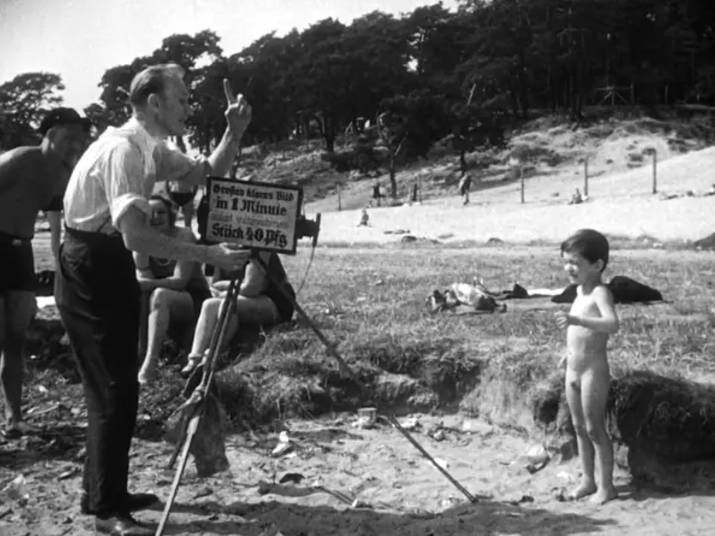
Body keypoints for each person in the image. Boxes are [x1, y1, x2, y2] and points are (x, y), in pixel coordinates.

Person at [55, 63, 252, 535]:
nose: (188, 107)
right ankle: (107, 511)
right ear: (154, 103)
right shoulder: (124, 150)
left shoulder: (150, 148)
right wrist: (210, 254)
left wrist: (234, 131)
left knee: (116, 383)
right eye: (181, 99)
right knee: (114, 387)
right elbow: (137, 238)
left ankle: (102, 493)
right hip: (90, 262)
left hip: (104, 258)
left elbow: (205, 172)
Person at [0, 107, 90, 438]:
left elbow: (72, 213)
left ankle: (14, 419)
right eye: (69, 138)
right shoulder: (21, 159)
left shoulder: (64, 174)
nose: (75, 146)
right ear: (50, 135)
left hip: (21, 252)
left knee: (15, 338)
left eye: (80, 140)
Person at [555, 229, 619, 505]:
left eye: (575, 263)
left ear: (597, 265)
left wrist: (577, 321)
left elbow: (612, 324)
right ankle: (587, 480)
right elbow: (577, 336)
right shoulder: (579, 292)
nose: (569, 268)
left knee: (594, 429)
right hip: (573, 368)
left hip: (593, 370)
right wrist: (567, 354)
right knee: (578, 427)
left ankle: (607, 487)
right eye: (566, 261)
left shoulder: (600, 293)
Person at [181, 251, 295, 376]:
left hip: (272, 301)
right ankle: (194, 359)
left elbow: (252, 287)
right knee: (209, 304)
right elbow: (213, 283)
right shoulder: (221, 247)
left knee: (227, 303)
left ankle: (214, 356)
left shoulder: (259, 247)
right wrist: (235, 286)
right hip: (241, 296)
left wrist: (225, 291)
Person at [135, 195, 210, 384]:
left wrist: (146, 284)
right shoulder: (141, 241)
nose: (155, 217)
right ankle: (136, 354)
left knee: (159, 295)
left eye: (161, 212)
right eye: (150, 214)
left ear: (170, 215)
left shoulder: (184, 236)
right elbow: (143, 276)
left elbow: (180, 281)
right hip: (160, 300)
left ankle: (150, 363)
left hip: (192, 298)